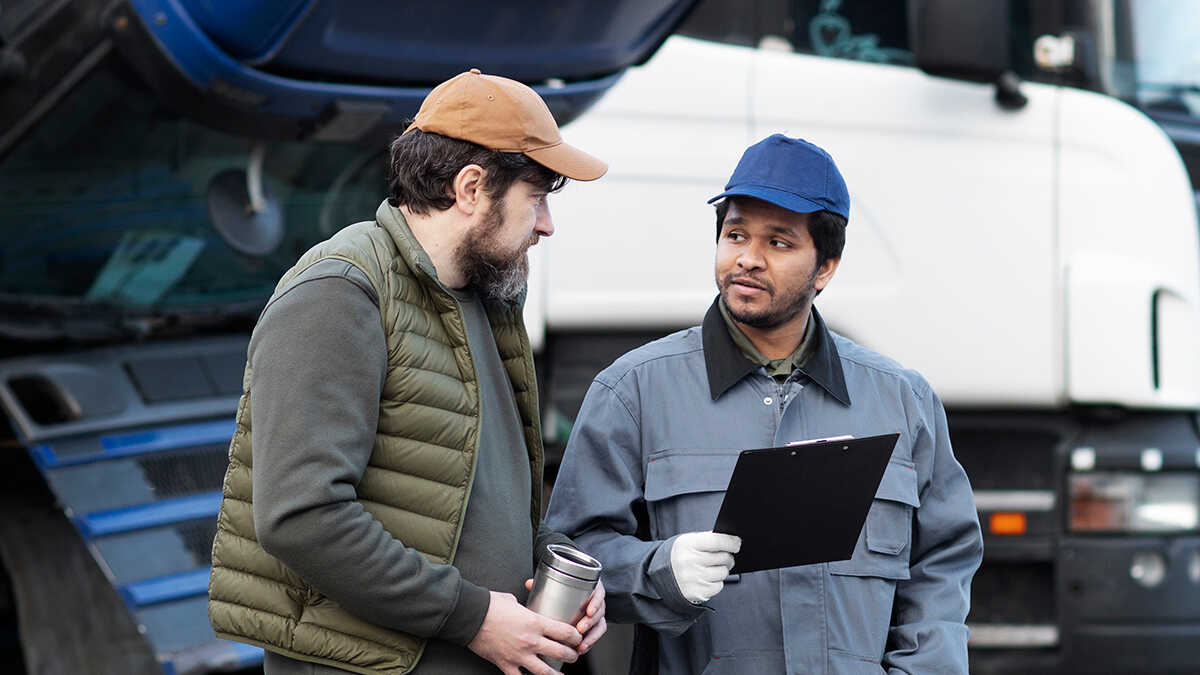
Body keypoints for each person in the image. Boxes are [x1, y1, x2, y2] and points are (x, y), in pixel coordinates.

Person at [208, 69, 609, 675]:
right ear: (471, 188)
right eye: (538, 197)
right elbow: (301, 517)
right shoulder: (339, 292)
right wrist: (473, 618)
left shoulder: (486, 299)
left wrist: (555, 561)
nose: (547, 224)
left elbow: (484, 496)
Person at [544, 134, 983, 674]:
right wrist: (658, 569)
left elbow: (943, 563)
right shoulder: (633, 391)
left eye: (779, 243)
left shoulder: (902, 400)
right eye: (735, 235)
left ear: (825, 267)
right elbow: (569, 553)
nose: (747, 259)